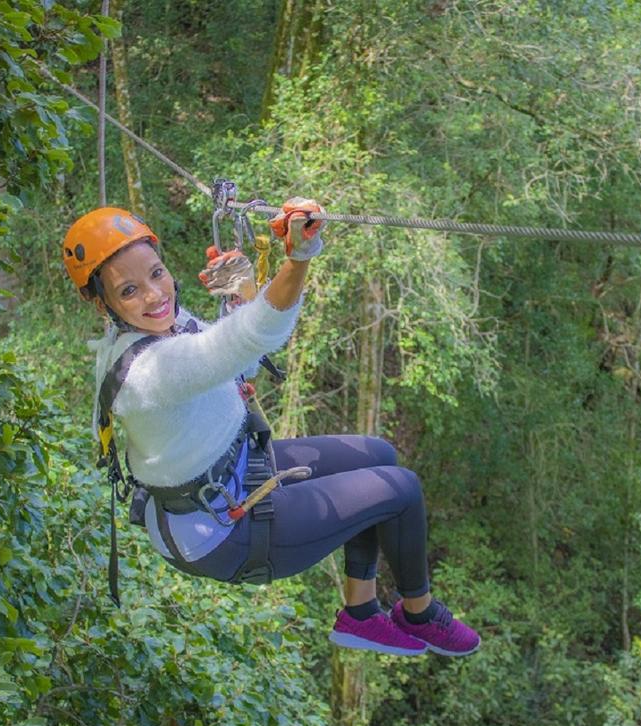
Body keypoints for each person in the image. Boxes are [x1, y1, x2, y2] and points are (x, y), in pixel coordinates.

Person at [62, 201, 480, 657]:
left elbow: (234, 357)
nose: (153, 295)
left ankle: (361, 612)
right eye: (129, 291)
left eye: (156, 274)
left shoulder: (167, 325)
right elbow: (239, 344)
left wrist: (244, 294)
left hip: (234, 474)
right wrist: (298, 258)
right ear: (100, 302)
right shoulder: (147, 371)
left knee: (377, 454)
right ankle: (419, 613)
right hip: (220, 532)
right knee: (401, 489)